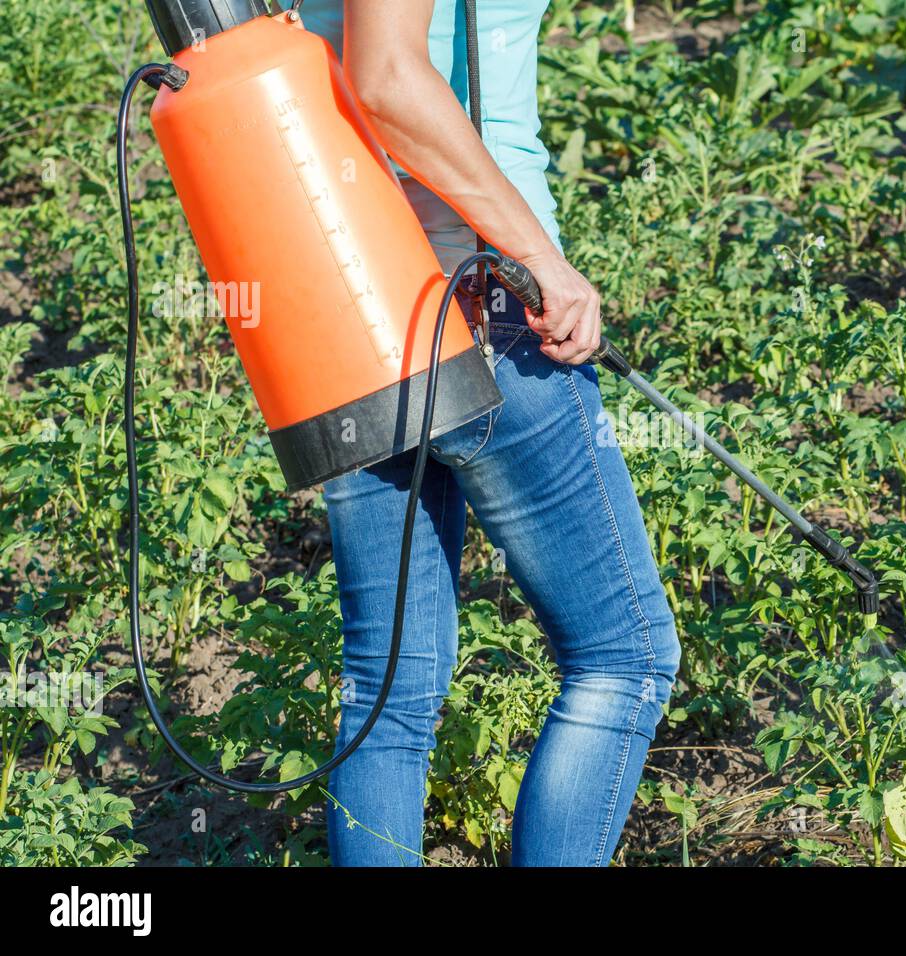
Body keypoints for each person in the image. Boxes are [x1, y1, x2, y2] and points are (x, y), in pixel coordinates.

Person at [297, 0, 680, 866]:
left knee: (387, 692)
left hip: (347, 306)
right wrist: (540, 258)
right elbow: (386, 79)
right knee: (624, 659)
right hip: (481, 301)